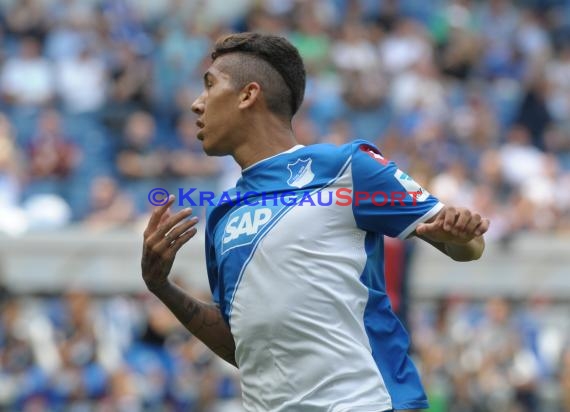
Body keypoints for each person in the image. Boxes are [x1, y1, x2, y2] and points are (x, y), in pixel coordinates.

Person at [141, 32, 490, 412]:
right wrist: (161, 286)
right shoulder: (224, 212)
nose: (197, 103)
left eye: (209, 85)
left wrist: (460, 233)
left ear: (248, 95)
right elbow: (242, 345)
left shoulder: (345, 169)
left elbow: (467, 248)